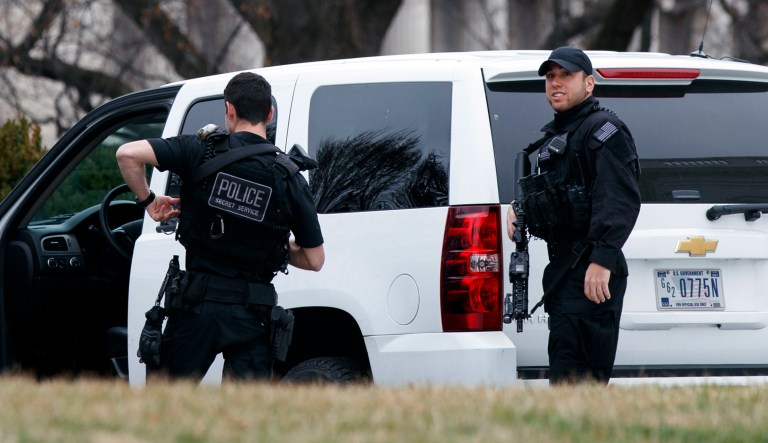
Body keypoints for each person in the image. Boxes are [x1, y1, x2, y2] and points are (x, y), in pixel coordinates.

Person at [116, 72, 325, 381]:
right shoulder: (289, 175)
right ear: (269, 114)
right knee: (242, 417)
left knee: (165, 407)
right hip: (253, 316)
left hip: (195, 308)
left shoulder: (200, 150)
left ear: (229, 110)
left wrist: (149, 201)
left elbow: (127, 154)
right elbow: (314, 259)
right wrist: (272, 241)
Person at [507, 47, 640, 384]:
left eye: (566, 75)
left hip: (590, 271)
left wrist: (602, 259)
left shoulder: (602, 130)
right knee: (566, 376)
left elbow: (618, 198)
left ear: (589, 84)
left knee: (579, 385)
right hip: (566, 272)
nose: (556, 83)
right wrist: (519, 208)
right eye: (551, 77)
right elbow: (564, 197)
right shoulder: (560, 136)